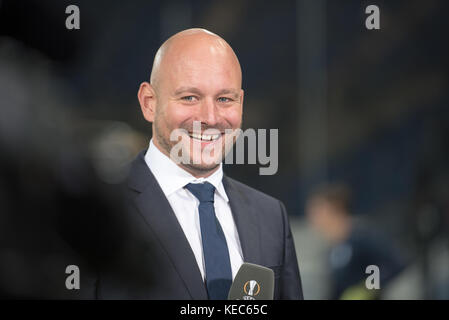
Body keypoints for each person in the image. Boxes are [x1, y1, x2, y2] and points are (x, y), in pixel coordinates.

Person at [94, 28, 303, 300]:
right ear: (149, 103)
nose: (210, 117)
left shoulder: (271, 216)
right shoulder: (100, 210)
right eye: (189, 97)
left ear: (241, 103)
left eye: (224, 99)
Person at [306, 183, 406, 300]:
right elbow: (337, 290)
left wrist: (367, 288)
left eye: (318, 212)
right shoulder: (332, 250)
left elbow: (394, 264)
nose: (314, 219)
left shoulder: (363, 237)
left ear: (336, 209)